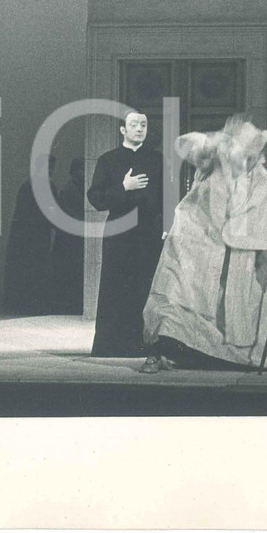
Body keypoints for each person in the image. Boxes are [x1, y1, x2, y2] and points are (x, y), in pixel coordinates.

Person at [141, 115, 267, 372]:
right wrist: (212, 141)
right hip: (195, 244)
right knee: (176, 293)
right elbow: (184, 145)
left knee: (235, 310)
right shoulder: (213, 160)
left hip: (239, 254)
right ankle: (162, 350)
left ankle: (215, 356)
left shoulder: (261, 178)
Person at [88, 109, 163, 357]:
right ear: (123, 130)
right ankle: (111, 346)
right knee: (115, 287)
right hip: (119, 232)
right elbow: (96, 198)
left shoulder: (157, 160)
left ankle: (144, 344)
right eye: (134, 124)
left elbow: (167, 196)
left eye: (143, 124)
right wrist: (123, 187)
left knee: (144, 288)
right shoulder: (108, 160)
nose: (140, 128)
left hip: (148, 233)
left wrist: (166, 227)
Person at [3, 154, 57, 315]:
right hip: (38, 237)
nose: (50, 171)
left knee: (24, 272)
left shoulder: (27, 186)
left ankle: (21, 305)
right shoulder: (47, 187)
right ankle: (35, 305)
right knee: (37, 271)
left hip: (23, 237)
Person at [51, 156, 86, 315]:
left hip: (71, 239)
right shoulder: (70, 190)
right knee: (70, 274)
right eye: (82, 169)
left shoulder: (74, 188)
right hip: (70, 241)